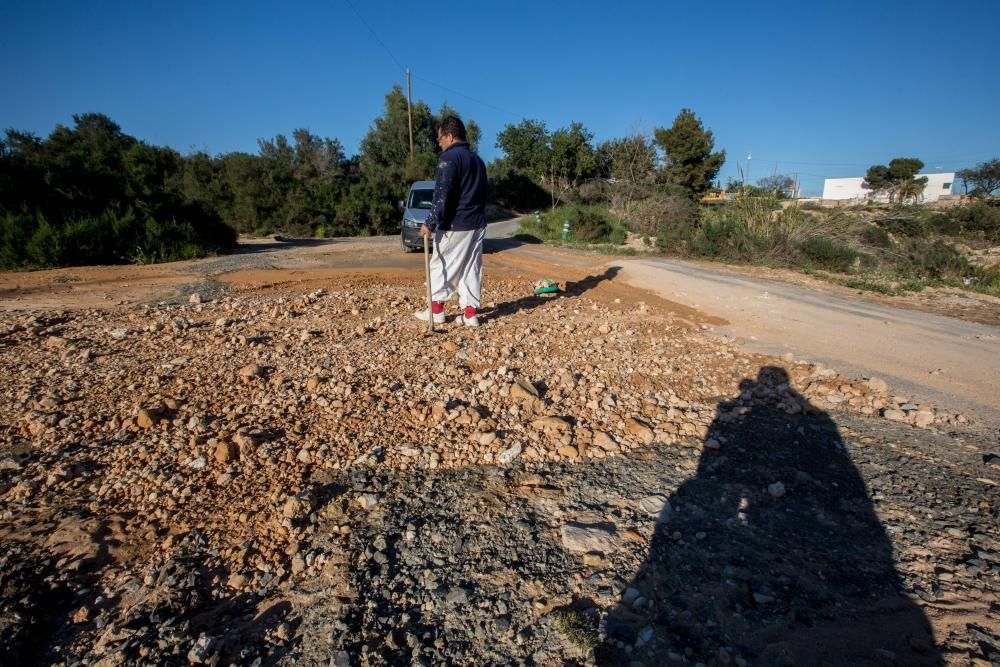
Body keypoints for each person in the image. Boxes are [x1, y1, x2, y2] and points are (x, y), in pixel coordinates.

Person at [414, 116, 488, 327]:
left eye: (440, 139)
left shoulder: (449, 159)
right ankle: (470, 314)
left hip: (456, 224)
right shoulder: (478, 161)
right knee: (470, 267)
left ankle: (436, 311)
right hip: (477, 222)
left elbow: (442, 195)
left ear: (450, 135)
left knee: (441, 265)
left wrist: (430, 222)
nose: (439, 143)